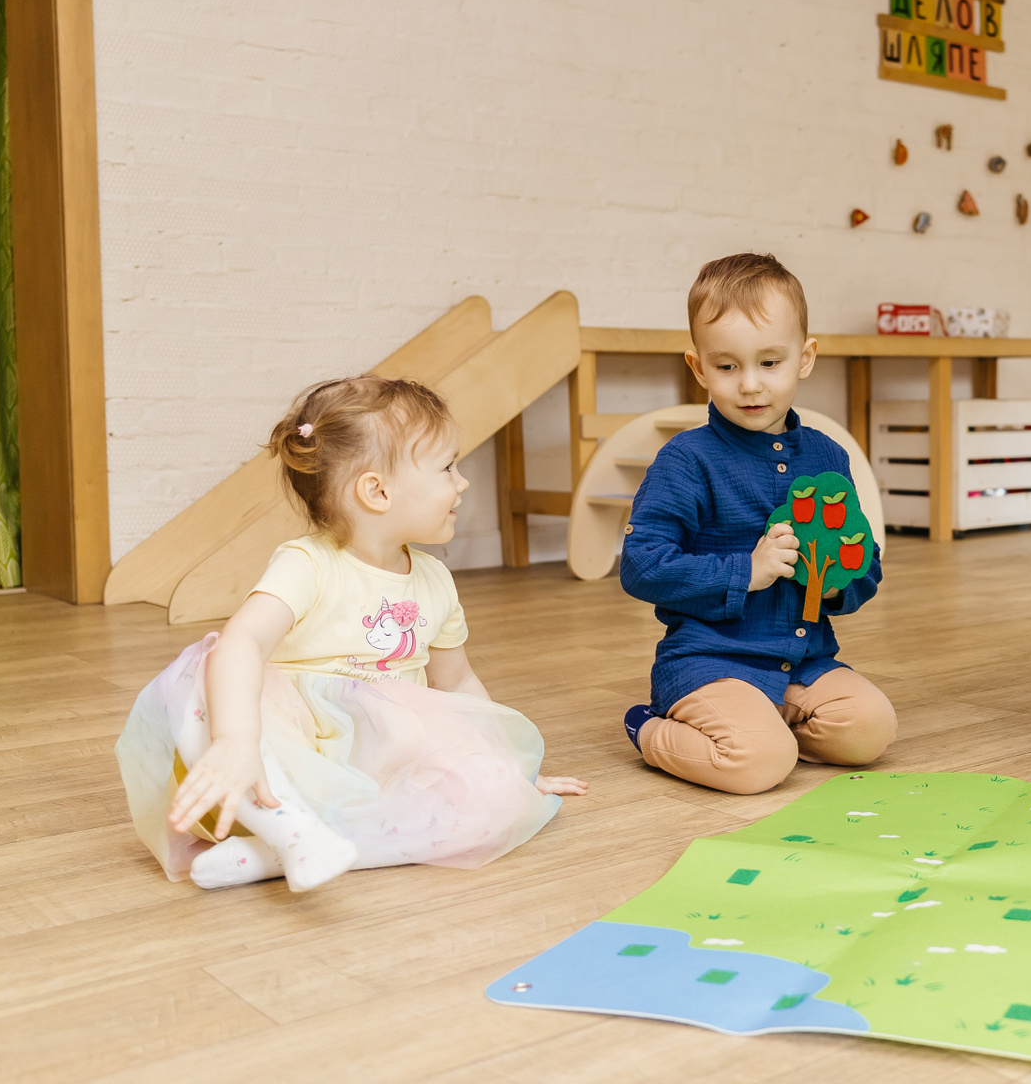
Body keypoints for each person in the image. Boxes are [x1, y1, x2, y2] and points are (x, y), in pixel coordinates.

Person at [116, 376, 585, 892]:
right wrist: (236, 741)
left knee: (494, 798)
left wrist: (505, 766)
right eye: (448, 467)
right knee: (210, 684)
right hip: (286, 760)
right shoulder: (308, 565)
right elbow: (241, 642)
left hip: (383, 760)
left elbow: (456, 683)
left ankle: (274, 856)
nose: (463, 482)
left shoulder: (434, 580)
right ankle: (288, 828)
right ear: (377, 492)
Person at [619, 253, 895, 795]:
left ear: (804, 358)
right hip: (708, 662)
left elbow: (864, 565)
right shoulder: (686, 459)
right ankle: (649, 729)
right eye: (727, 367)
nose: (750, 385)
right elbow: (641, 565)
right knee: (758, 765)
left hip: (804, 661)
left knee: (870, 730)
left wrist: (838, 581)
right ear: (699, 367)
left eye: (769, 362)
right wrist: (747, 571)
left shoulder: (828, 456)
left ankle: (767, 724)